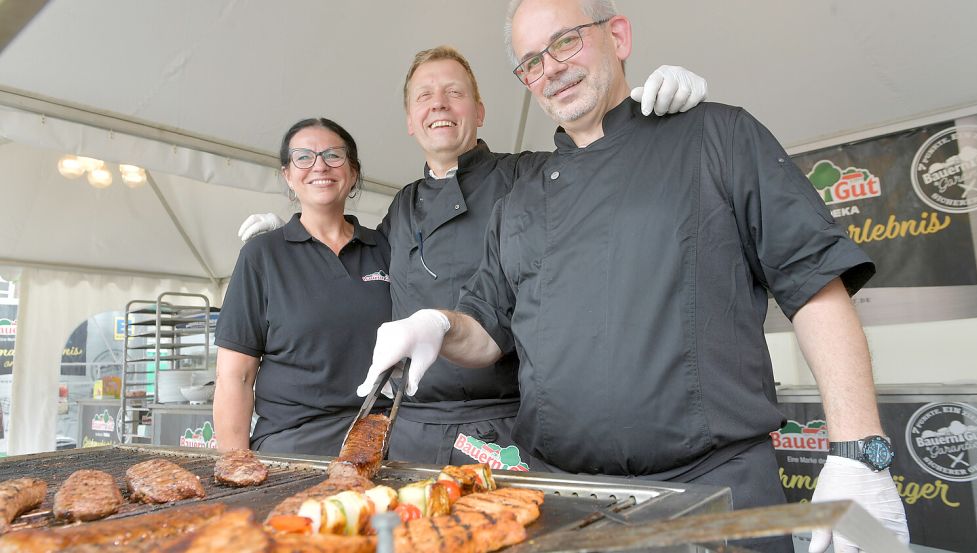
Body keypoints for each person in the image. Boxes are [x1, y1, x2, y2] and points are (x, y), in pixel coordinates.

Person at [359, 1, 909, 552]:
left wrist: (859, 452)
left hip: (714, 492)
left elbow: (814, 283)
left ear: (618, 36)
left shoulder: (716, 136)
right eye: (531, 62)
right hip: (563, 502)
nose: (551, 68)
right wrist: (438, 324)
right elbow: (485, 329)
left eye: (566, 41)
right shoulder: (519, 201)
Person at [240, 51, 707, 469]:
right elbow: (352, 263)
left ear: (479, 112)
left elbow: (601, 166)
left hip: (506, 427)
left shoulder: (530, 175)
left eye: (454, 93)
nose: (439, 104)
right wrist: (293, 237)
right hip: (407, 430)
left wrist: (650, 125)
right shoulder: (402, 207)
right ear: (410, 121)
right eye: (424, 96)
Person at [214, 118, 391, 456]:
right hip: (294, 442)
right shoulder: (262, 255)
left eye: (333, 155)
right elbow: (235, 377)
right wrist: (235, 463)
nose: (320, 166)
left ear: (353, 172)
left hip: (381, 437)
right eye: (304, 157)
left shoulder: (385, 248)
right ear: (288, 175)